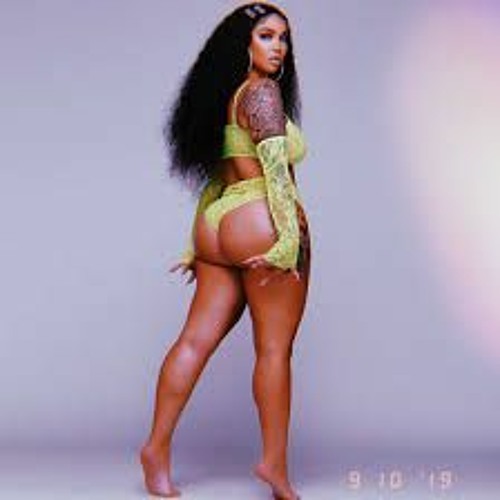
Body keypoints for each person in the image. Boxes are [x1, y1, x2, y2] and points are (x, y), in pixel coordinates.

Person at [139, 2, 311, 499]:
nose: (279, 47)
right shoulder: (262, 93)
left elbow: (219, 176)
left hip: (219, 220)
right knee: (274, 349)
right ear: (243, 44)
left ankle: (155, 449)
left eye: (284, 37)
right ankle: (274, 465)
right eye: (266, 36)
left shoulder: (224, 96)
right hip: (261, 219)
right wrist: (288, 242)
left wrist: (196, 244)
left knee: (194, 341)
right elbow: (276, 175)